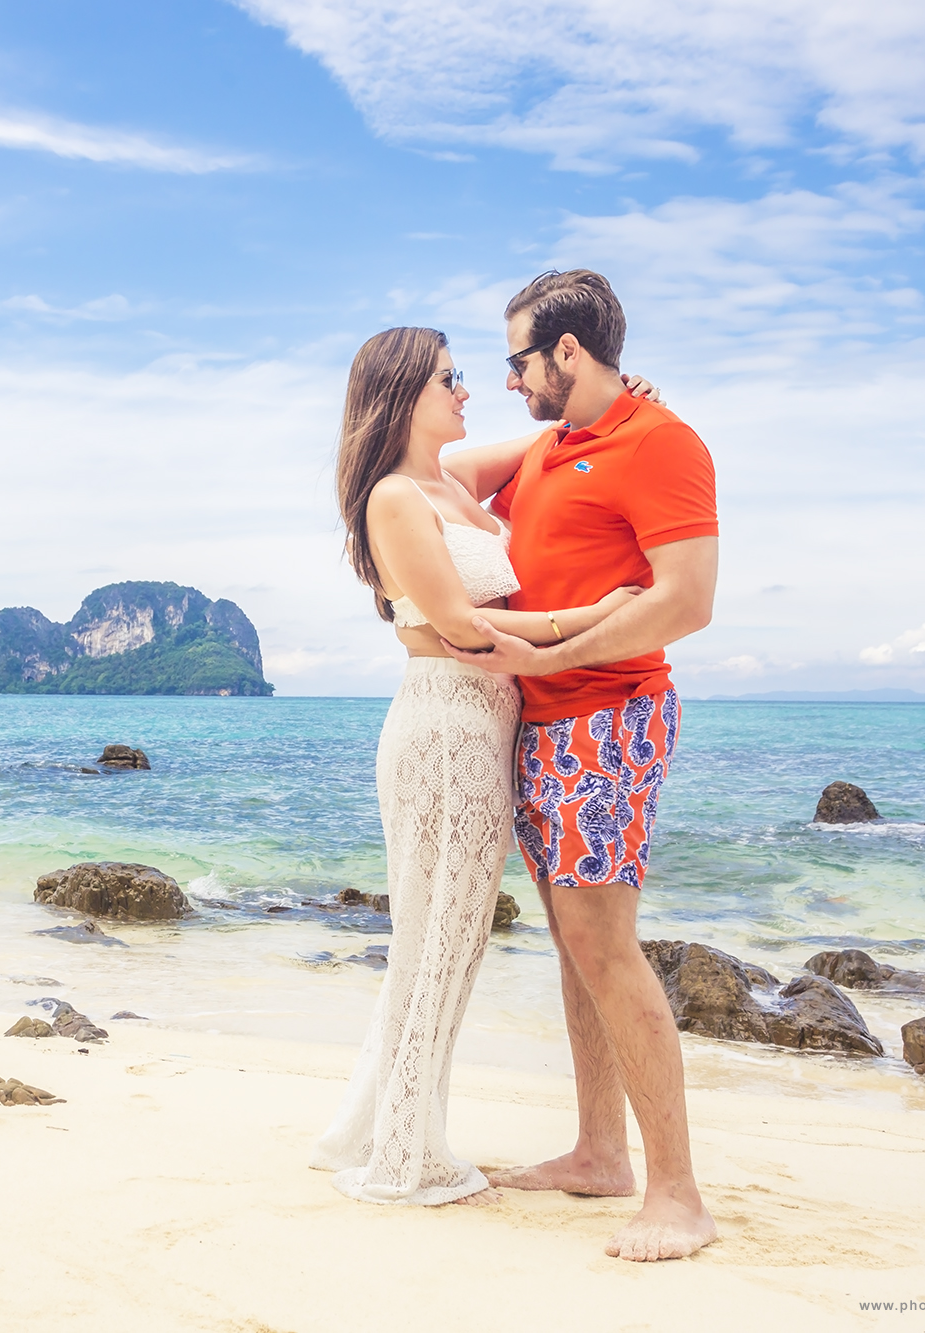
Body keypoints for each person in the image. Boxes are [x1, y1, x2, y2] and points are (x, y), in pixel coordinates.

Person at [310, 325, 654, 1207]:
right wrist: (595, 615)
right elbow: (461, 626)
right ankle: (407, 1150)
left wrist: (625, 397)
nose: (467, 390)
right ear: (402, 395)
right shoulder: (396, 496)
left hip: (484, 723)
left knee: (448, 939)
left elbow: (557, 433)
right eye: (448, 378)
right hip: (445, 729)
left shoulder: (453, 480)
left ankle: (383, 1125)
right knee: (440, 937)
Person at [442, 269, 720, 1262]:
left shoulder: (662, 442)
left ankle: (677, 1195)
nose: (506, 379)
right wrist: (564, 415)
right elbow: (439, 466)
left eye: (518, 359)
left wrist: (551, 657)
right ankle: (601, 1152)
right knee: (572, 942)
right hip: (542, 720)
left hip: (609, 717)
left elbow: (686, 600)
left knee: (604, 944)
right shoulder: (551, 448)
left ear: (567, 350)